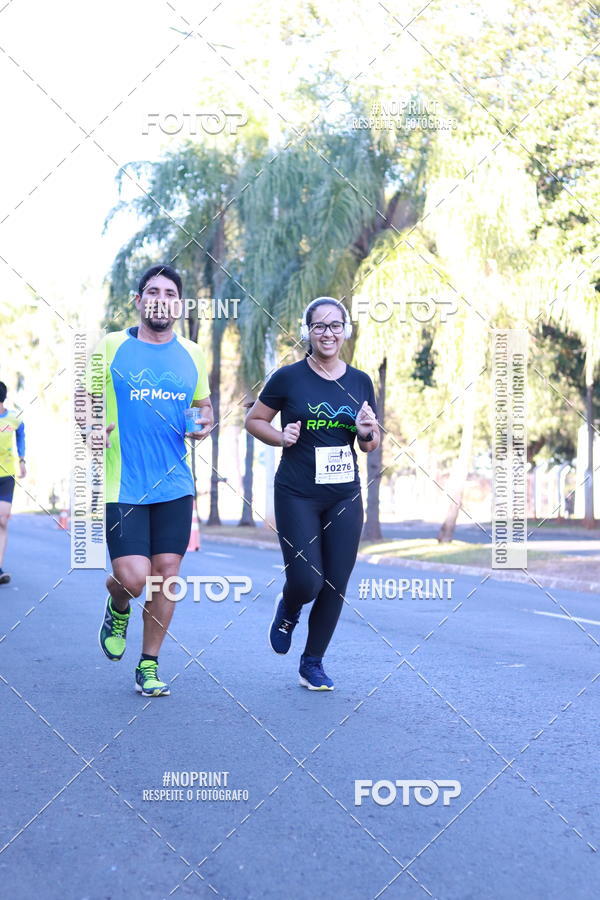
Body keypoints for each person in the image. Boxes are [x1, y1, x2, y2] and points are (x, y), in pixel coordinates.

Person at [88, 264, 213, 696]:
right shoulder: (109, 347)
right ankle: (118, 603)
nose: (161, 298)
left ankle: (149, 663)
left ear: (178, 304)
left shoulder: (194, 354)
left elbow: (203, 407)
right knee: (133, 576)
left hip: (174, 483)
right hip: (123, 482)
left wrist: (204, 424)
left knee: (166, 574)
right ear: (139, 300)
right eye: (152, 290)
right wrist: (90, 428)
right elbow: (85, 405)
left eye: (170, 292)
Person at [245, 296, 380, 690]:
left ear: (345, 330)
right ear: (308, 332)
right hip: (297, 492)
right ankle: (289, 607)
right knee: (307, 581)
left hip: (343, 495)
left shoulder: (360, 381)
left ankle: (313, 662)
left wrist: (367, 430)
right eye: (319, 326)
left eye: (335, 325)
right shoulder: (288, 378)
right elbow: (255, 420)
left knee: (336, 582)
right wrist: (279, 436)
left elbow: (369, 444)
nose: (328, 333)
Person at [0, 382, 26, 585]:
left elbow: (21, 438)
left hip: (7, 475)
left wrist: (22, 460)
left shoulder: (14, 419)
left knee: (2, 520)